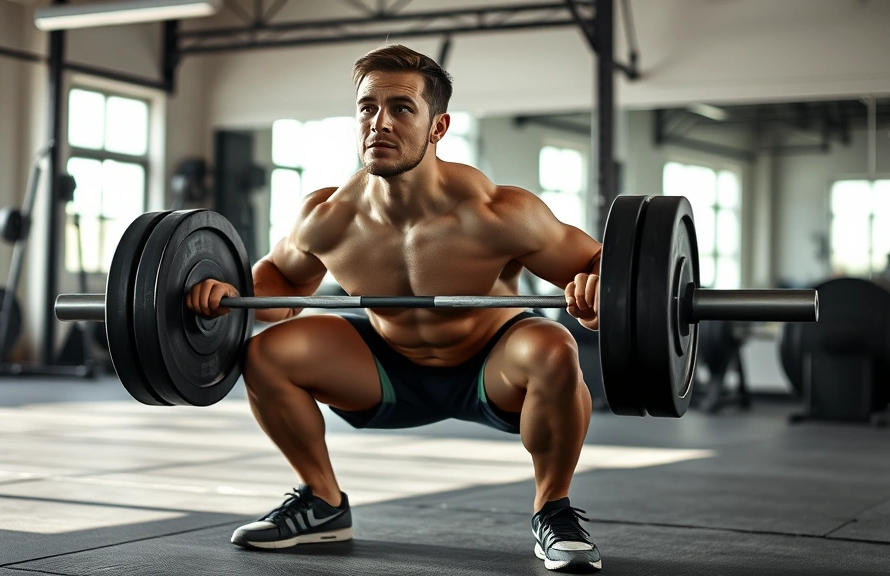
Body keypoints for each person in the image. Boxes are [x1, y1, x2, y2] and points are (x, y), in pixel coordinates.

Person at [186, 44, 603, 573]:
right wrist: (223, 294)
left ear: (438, 127)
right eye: (368, 107)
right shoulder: (329, 216)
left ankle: (553, 511)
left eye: (401, 108)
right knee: (267, 353)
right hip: (386, 370)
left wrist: (595, 296)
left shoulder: (497, 212)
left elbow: (600, 265)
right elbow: (280, 284)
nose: (379, 122)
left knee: (555, 346)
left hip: (492, 371)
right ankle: (322, 502)